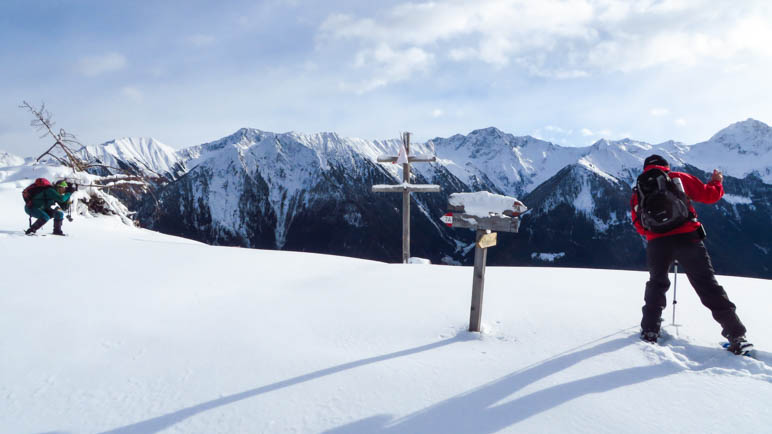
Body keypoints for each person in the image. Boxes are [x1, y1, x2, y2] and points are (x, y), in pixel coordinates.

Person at [630, 154, 752, 355]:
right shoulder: (678, 178)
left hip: (657, 243)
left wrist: (656, 233)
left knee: (656, 283)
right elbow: (709, 196)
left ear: (645, 169)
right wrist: (716, 183)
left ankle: (650, 330)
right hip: (688, 238)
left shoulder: (638, 191)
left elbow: (639, 224)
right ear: (666, 166)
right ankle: (736, 335)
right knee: (707, 285)